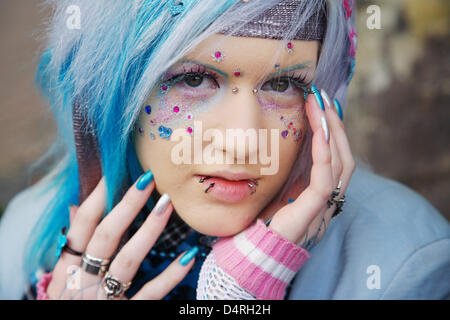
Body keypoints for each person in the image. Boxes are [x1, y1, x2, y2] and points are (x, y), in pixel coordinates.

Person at [0, 0, 449, 300]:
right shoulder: (21, 234)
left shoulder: (406, 262)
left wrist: (235, 298)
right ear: (111, 98)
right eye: (194, 79)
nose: (241, 141)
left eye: (283, 83)